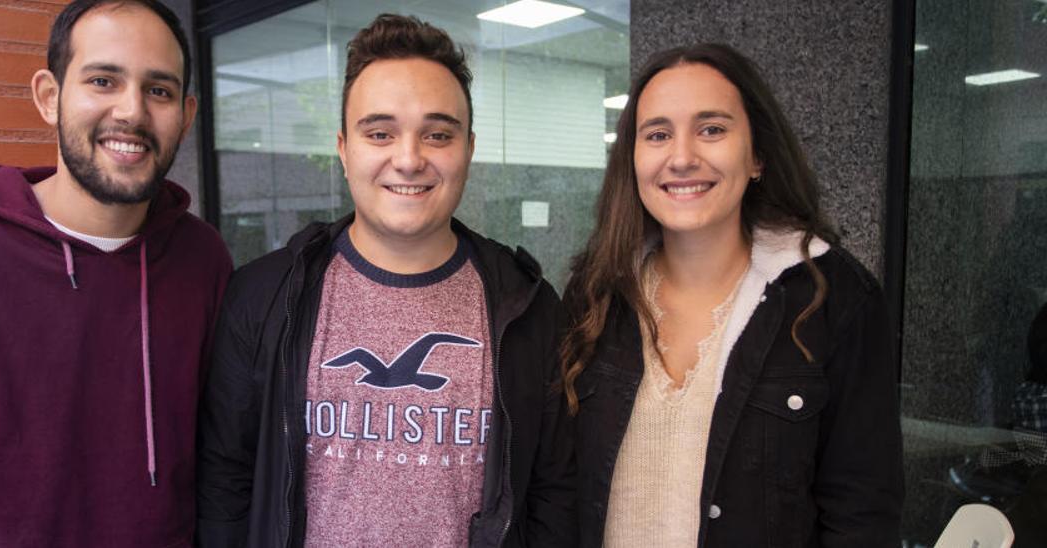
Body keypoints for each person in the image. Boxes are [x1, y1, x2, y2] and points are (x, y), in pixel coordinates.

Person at [0, 1, 231, 545]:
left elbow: (221, 459)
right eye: (103, 80)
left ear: (187, 115)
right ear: (50, 98)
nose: (132, 112)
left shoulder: (202, 258)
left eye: (159, 90)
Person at [195, 14, 574, 547]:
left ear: (468, 149)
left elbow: (553, 490)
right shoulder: (265, 296)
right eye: (380, 133)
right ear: (345, 149)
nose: (409, 158)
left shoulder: (527, 306)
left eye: (438, 134)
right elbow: (226, 482)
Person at [560, 43, 903, 547]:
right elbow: (554, 487)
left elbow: (862, 515)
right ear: (632, 159)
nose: (681, 158)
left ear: (758, 155)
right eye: (657, 135)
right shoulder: (596, 293)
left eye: (712, 130)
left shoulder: (833, 300)